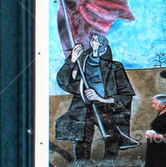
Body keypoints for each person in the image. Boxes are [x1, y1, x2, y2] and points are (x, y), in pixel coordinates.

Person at [55, 32, 138, 160]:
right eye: (92, 39)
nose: (92, 41)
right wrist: (71, 60)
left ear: (102, 45)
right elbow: (64, 82)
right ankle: (82, 166)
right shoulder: (81, 64)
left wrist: (100, 98)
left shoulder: (115, 67)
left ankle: (109, 164)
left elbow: (125, 95)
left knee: (112, 137)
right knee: (82, 139)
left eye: (96, 40)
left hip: (106, 108)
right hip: (83, 108)